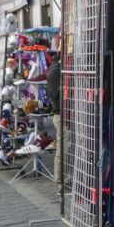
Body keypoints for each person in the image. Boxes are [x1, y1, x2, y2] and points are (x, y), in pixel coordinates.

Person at [46, 52, 63, 195]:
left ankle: (62, 180)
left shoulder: (55, 70)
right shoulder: (56, 72)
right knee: (64, 148)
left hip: (61, 113)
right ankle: (60, 182)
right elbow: (58, 95)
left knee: (65, 147)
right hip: (61, 113)